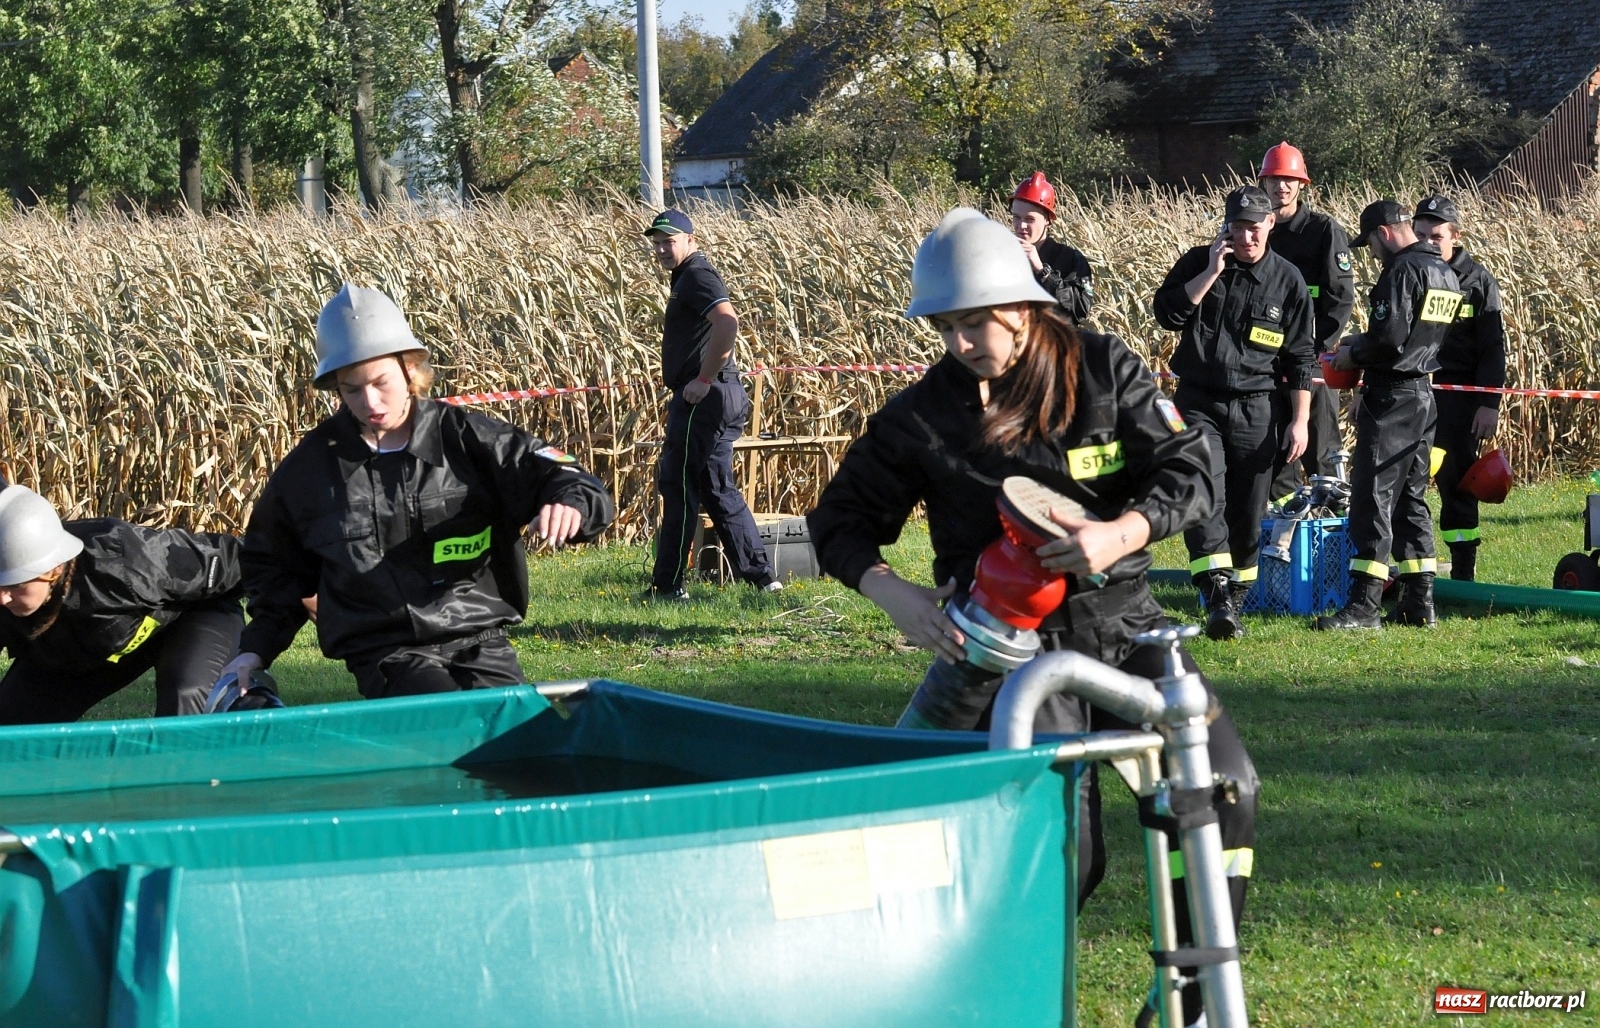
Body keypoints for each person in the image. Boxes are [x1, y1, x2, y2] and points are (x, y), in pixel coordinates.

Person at [808, 208, 1256, 1028]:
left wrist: (1122, 530)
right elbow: (836, 521)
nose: (961, 343)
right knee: (1063, 854)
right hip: (1016, 659)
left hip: (1126, 624)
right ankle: (1006, 1004)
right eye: (946, 327)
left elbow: (1193, 464)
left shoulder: (1103, 369)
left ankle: (1191, 996)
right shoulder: (921, 415)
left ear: (1022, 305)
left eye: (976, 321)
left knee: (1228, 789)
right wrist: (894, 593)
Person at [221, 284, 613, 699]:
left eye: (380, 382)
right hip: (386, 652)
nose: (370, 401)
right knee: (447, 723)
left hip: (481, 639)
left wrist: (571, 503)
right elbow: (275, 569)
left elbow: (565, 475)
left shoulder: (469, 438)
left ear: (409, 370)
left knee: (518, 737)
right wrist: (255, 651)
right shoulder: (310, 471)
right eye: (351, 389)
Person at [1154, 184, 1316, 640]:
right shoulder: (1198, 262)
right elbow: (1166, 314)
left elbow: (1301, 358)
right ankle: (1217, 593)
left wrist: (1300, 421)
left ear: (1270, 225)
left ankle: (1234, 603)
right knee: (1204, 492)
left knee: (1247, 512)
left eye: (1254, 228)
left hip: (1258, 408)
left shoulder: (1288, 281)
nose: (1246, 237)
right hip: (1198, 402)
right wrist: (1210, 271)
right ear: (1226, 226)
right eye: (1238, 228)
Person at [1317, 201, 1462, 630]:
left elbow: (1389, 338)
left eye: (1371, 245)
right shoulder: (1445, 273)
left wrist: (1352, 354)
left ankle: (1363, 607)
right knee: (1411, 500)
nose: (1372, 254)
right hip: (1423, 395)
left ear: (1383, 233)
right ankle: (1420, 602)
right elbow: (1420, 334)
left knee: (1372, 497)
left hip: (1392, 396)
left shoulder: (1401, 271)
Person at [0, 484, 244, 723]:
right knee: (9, 725)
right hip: (98, 648)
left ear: (53, 568)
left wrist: (262, 641)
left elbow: (240, 560)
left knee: (186, 696)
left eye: (14, 585)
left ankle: (246, 706)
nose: (3, 597)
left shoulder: (121, 560)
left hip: (192, 616)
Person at [642, 209, 779, 601]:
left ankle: (668, 587)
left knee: (678, 485)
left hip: (704, 396)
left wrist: (702, 380)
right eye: (657, 243)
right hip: (722, 393)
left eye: (669, 241)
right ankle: (764, 580)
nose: (662, 249)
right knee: (717, 489)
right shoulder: (687, 277)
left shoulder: (697, 275)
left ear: (690, 239)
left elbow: (728, 323)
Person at [1413, 194, 1506, 582]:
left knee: (1456, 482)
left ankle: (1463, 571)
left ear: (1456, 236)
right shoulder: (1411, 272)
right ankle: (1411, 569)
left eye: (1435, 235)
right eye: (1419, 235)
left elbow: (1492, 349)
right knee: (1407, 481)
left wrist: (1489, 403)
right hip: (1415, 394)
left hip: (1461, 401)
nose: (1427, 243)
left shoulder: (1479, 282)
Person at [1258, 142, 1356, 499]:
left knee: (1321, 455)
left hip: (1310, 365)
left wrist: (1314, 351)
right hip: (1265, 363)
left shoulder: (1323, 230)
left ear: (1301, 184)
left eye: (1288, 179)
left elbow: (1340, 298)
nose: (1280, 186)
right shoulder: (1258, 231)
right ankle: (1285, 538)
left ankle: (1332, 536)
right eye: (1273, 179)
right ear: (1263, 182)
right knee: (1276, 457)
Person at [1009, 171, 1095, 324]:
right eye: (1016, 217)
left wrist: (1044, 273)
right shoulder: (1001, 258)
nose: (1021, 225)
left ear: (1048, 220)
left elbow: (1080, 310)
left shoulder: (1071, 260)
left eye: (1030, 219)